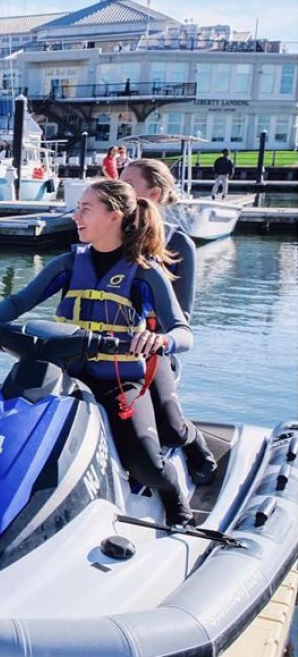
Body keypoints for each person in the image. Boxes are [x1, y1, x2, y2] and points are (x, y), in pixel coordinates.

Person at [0, 180, 196, 526]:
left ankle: (173, 494)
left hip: (117, 383)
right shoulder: (69, 263)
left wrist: (162, 341)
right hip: (62, 378)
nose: (76, 216)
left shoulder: (145, 272)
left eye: (85, 209)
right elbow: (20, 301)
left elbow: (183, 332)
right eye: (77, 208)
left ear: (114, 216)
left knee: (144, 462)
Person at [121, 158, 218, 483]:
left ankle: (193, 442)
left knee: (171, 430)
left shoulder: (178, 245)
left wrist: (154, 341)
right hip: (108, 346)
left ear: (156, 193)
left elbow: (181, 320)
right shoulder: (108, 236)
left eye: (130, 185)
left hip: (154, 349)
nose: (122, 191)